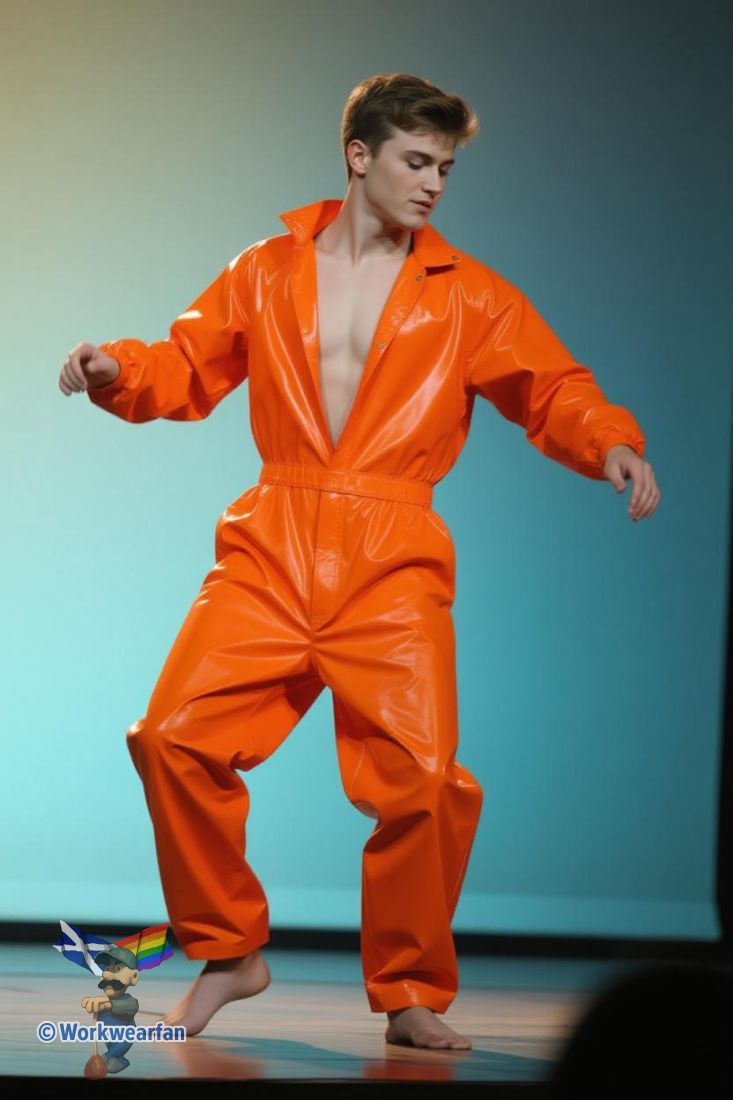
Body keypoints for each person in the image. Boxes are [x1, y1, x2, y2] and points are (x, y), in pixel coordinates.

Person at [58, 73, 660, 1051]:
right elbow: (186, 363)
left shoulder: (469, 294)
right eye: (416, 162)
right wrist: (114, 369)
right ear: (358, 156)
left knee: (423, 783)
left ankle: (411, 990)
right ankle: (228, 948)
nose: (433, 184)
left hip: (391, 552)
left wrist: (609, 442)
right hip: (274, 541)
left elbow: (550, 386)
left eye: (445, 169)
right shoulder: (266, 269)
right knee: (171, 737)